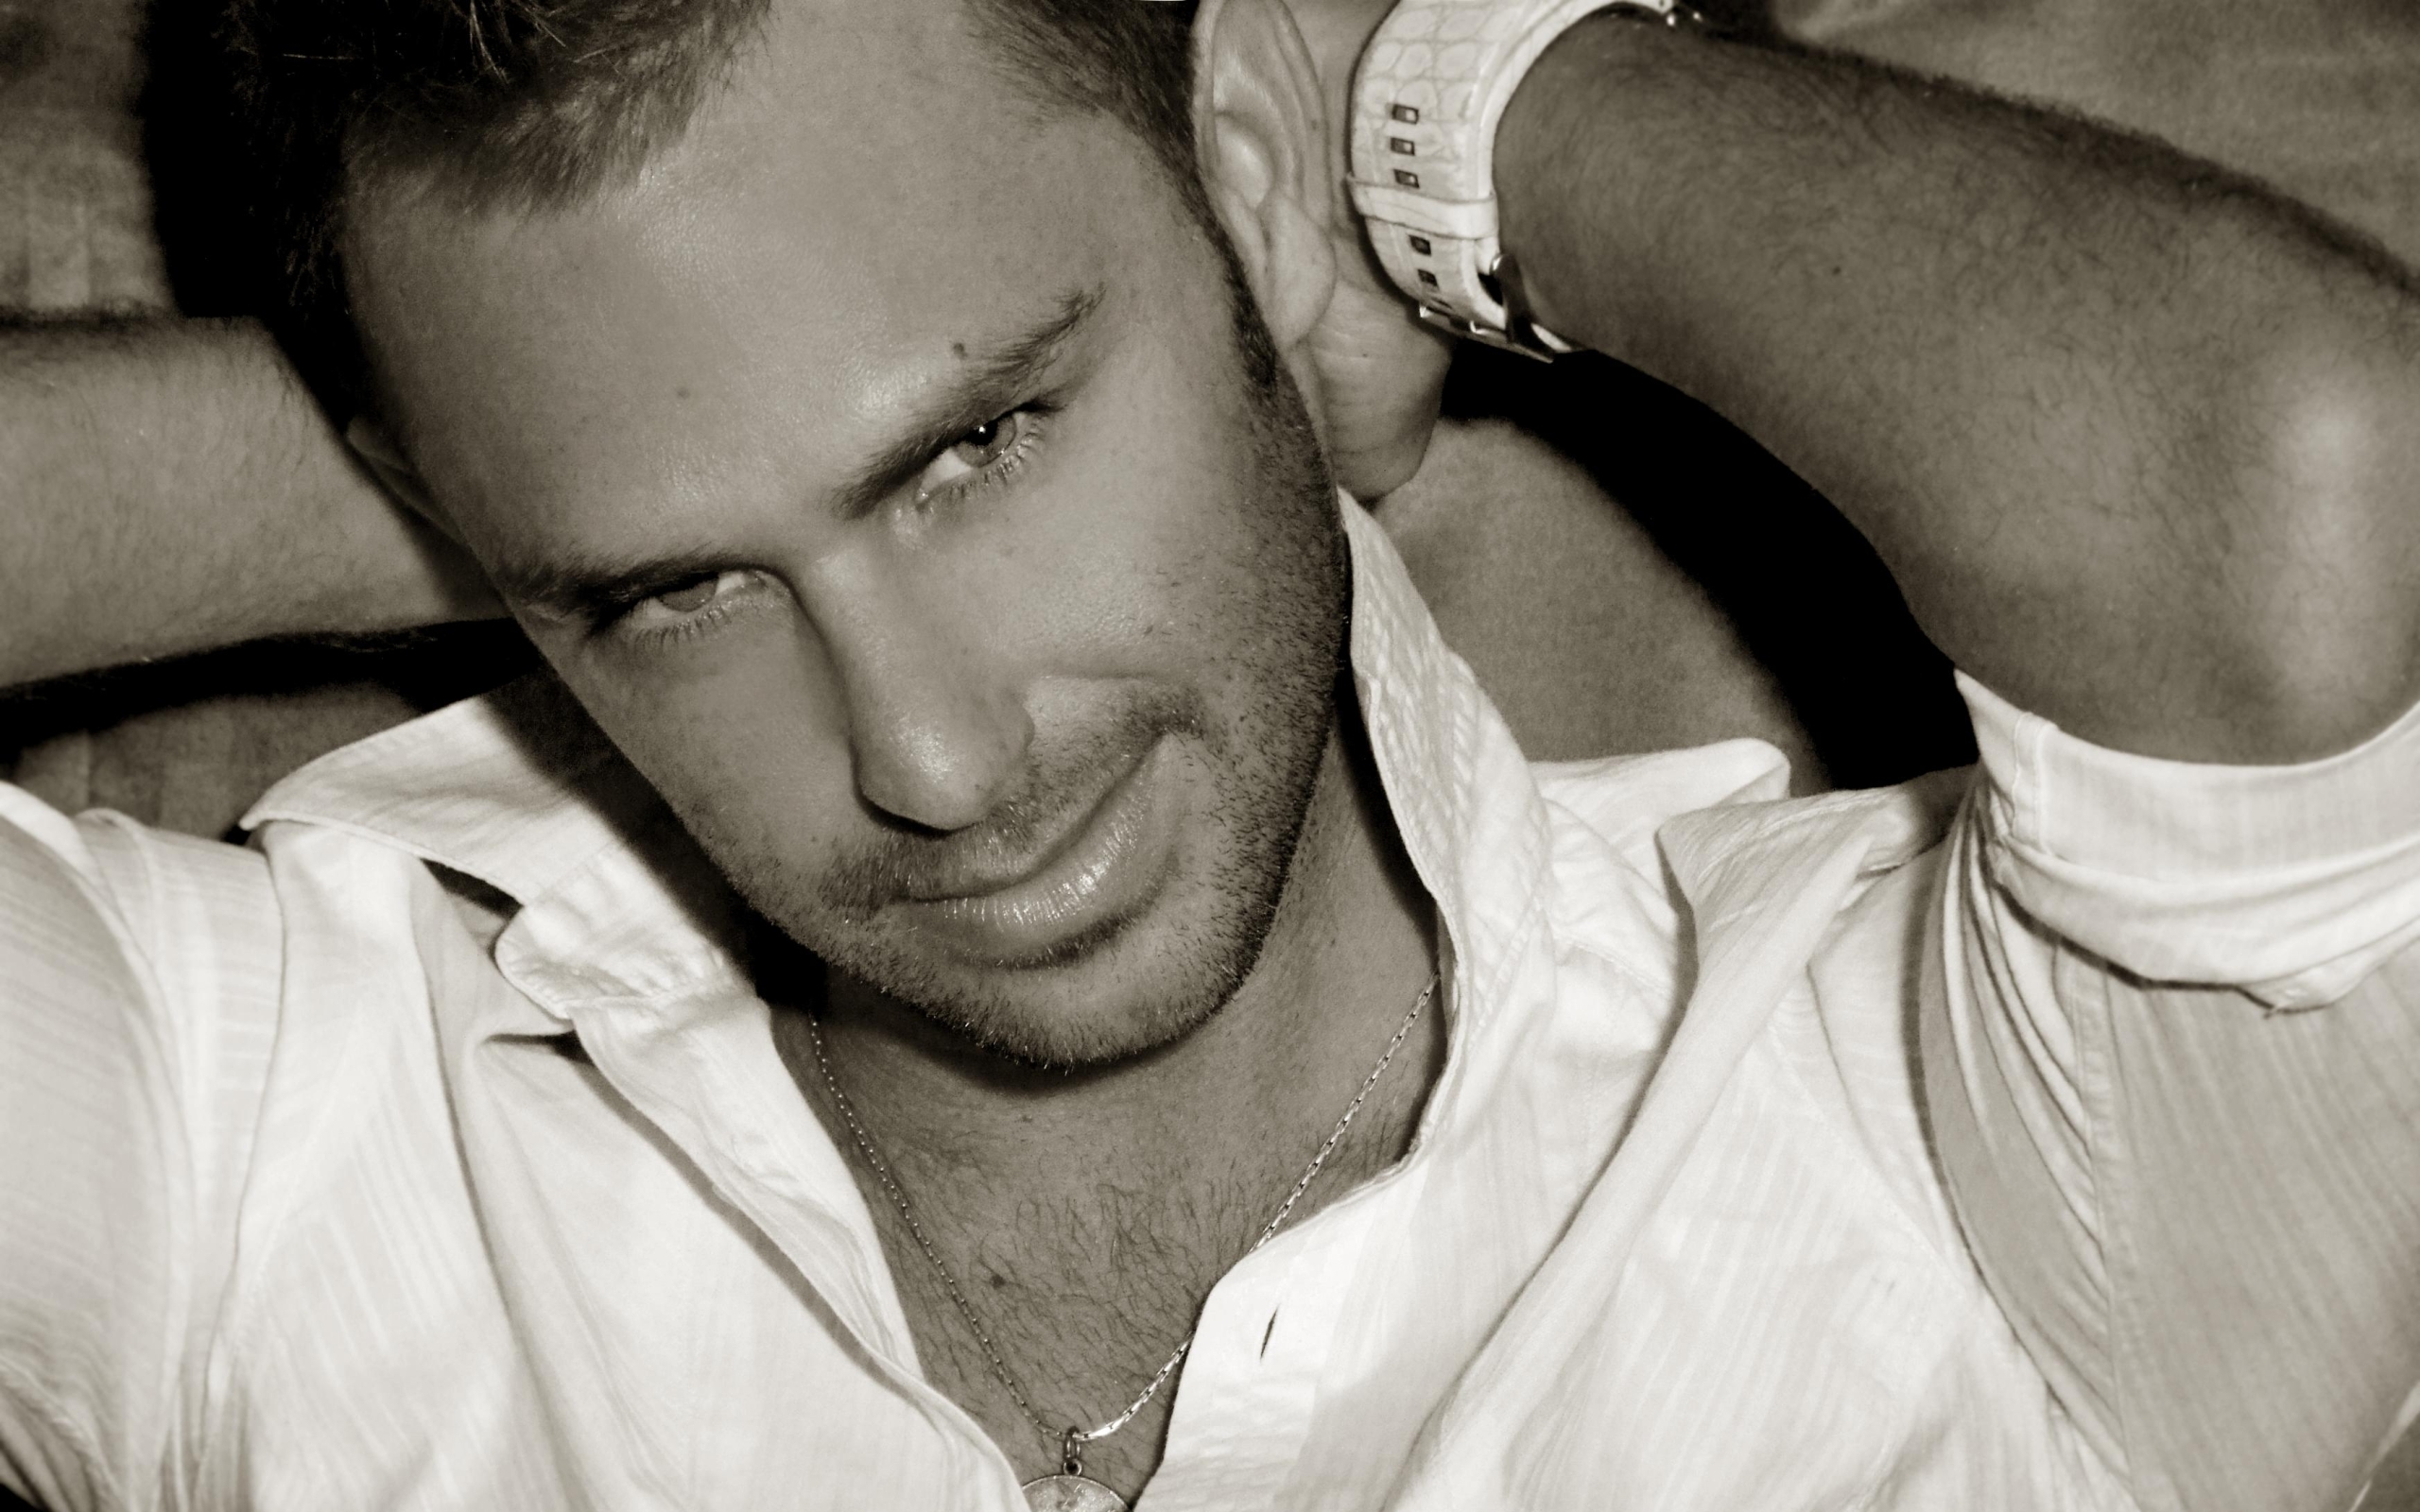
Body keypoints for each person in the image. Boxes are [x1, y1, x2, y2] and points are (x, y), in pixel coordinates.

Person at [2, 0, 2415, 1509]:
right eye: (676, 591)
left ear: (1237, 199)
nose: (933, 753)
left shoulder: (1942, 1141)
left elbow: (2291, 490)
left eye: (977, 442)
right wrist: (507, 452)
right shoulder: (265, 1134)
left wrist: (1434, 110)